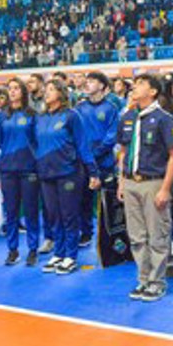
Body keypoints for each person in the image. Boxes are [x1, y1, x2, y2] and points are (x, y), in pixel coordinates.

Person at [117, 74, 173, 301]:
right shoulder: (127, 117)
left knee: (157, 234)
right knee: (136, 236)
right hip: (130, 182)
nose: (134, 87)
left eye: (141, 84)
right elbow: (123, 151)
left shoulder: (165, 119)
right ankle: (143, 279)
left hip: (153, 182)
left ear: (153, 91)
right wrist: (121, 181)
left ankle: (157, 281)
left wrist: (165, 188)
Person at [35, 79, 100, 275]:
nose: (47, 93)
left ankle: (71, 256)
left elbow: (82, 145)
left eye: (52, 89)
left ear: (62, 94)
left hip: (69, 173)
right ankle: (59, 252)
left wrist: (93, 172)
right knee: (53, 215)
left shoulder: (72, 116)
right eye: (46, 90)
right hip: (47, 174)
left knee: (69, 215)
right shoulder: (41, 117)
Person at [0, 78, 41, 267]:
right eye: (10, 88)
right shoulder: (1, 116)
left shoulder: (32, 115)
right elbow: (0, 138)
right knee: (11, 212)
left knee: (30, 211)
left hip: (29, 169)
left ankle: (32, 249)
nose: (12, 91)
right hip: (8, 169)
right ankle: (12, 250)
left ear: (23, 91)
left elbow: (36, 140)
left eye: (16, 88)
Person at [73, 71, 120, 247]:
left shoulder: (110, 108)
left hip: (104, 162)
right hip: (84, 164)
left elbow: (112, 135)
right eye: (87, 81)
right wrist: (85, 156)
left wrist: (95, 153)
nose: (87, 84)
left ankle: (110, 234)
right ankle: (86, 233)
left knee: (108, 199)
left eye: (92, 81)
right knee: (83, 199)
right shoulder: (79, 109)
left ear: (102, 86)